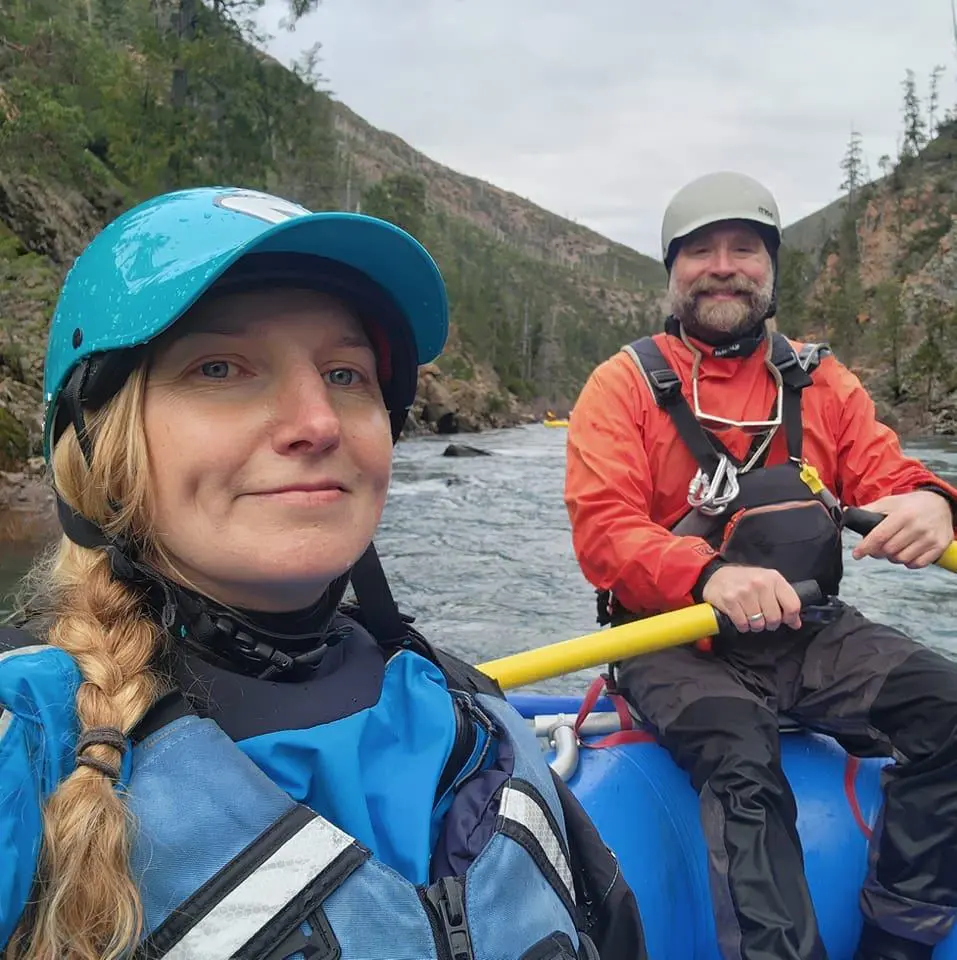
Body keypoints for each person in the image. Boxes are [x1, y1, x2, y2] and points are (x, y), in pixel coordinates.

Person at [0, 186, 644, 960]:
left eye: (345, 375)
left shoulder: (475, 718)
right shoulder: (29, 743)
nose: (317, 423)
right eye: (220, 367)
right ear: (98, 445)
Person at [563, 170, 957, 960]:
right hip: (668, 636)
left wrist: (931, 502)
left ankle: (900, 938)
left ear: (768, 270)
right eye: (699, 250)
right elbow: (603, 529)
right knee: (740, 754)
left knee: (946, 707)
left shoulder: (818, 381)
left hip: (806, 632)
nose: (722, 265)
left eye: (743, 248)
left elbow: (890, 476)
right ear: (672, 271)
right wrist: (707, 576)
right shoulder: (621, 386)